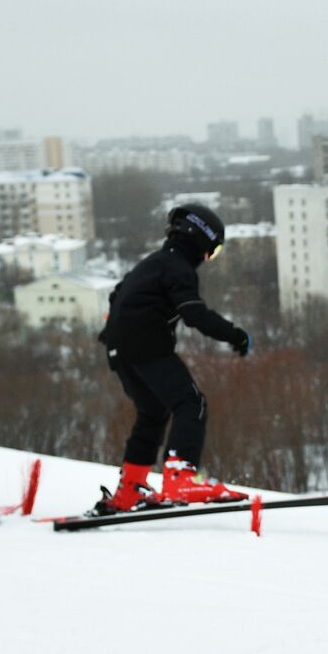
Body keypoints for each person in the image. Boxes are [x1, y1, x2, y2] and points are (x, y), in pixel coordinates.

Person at [96, 202, 251, 512]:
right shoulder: (177, 267)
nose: (209, 259)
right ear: (201, 240)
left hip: (119, 350)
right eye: (213, 251)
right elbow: (194, 314)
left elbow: (117, 295)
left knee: (153, 412)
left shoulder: (151, 263)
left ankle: (129, 491)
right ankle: (180, 478)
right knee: (191, 403)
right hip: (147, 346)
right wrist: (235, 334)